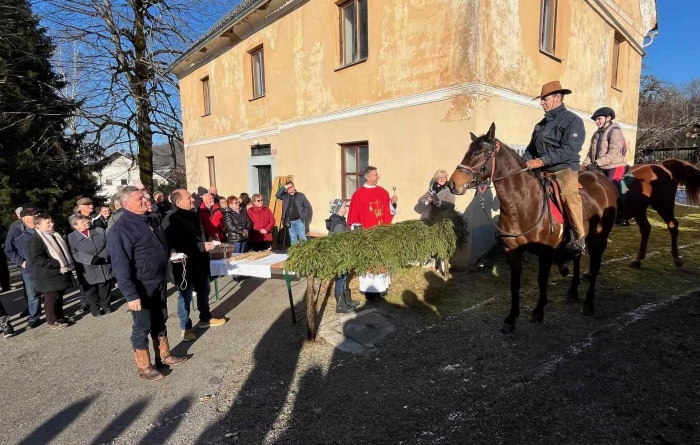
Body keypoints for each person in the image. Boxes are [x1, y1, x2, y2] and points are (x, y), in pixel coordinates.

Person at [108, 186, 187, 381]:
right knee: (142, 325)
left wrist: (172, 253)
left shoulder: (150, 219)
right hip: (141, 285)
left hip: (157, 279)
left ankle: (165, 356)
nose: (145, 199)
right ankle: (144, 367)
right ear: (126, 204)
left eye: (144, 196)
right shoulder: (121, 228)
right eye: (139, 198)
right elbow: (120, 264)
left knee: (160, 318)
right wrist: (130, 294)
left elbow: (162, 244)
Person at [523, 80, 587, 255]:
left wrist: (542, 161)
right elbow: (530, 149)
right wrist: (523, 164)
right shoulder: (541, 124)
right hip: (541, 168)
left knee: (568, 195)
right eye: (541, 99)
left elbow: (569, 149)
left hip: (564, 168)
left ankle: (578, 238)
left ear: (557, 98)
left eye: (545, 99)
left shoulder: (574, 121)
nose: (542, 102)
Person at [165, 189, 226, 342]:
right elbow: (177, 244)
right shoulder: (171, 219)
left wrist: (208, 243)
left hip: (200, 262)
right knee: (185, 297)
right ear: (179, 202)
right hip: (184, 266)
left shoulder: (194, 214)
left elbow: (201, 234)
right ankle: (185, 328)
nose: (193, 199)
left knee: (204, 290)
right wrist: (201, 246)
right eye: (189, 197)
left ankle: (205, 318)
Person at [582, 106, 630, 225]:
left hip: (615, 165)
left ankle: (621, 215)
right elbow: (591, 153)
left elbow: (614, 152)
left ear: (608, 118)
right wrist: (585, 163)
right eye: (595, 120)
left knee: (613, 187)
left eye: (599, 119)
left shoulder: (615, 131)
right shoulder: (596, 134)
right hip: (599, 165)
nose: (597, 122)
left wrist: (598, 163)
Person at [28, 214, 75, 329]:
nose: (51, 224)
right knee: (51, 297)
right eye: (48, 223)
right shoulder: (35, 239)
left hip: (60, 272)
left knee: (59, 296)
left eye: (52, 221)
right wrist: (56, 263)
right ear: (38, 226)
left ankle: (60, 317)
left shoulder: (54, 234)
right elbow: (36, 258)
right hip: (48, 274)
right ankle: (52, 321)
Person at [4, 205, 43, 328]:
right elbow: (8, 249)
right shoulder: (16, 230)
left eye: (38, 213)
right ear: (25, 218)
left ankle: (55, 314)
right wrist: (21, 262)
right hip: (29, 268)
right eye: (34, 215)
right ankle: (34, 317)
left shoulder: (43, 226)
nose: (37, 216)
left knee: (50, 292)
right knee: (33, 295)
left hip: (46, 266)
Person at [68, 213, 113, 317]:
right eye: (82, 221)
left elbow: (109, 243)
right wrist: (91, 259)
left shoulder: (99, 230)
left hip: (103, 263)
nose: (86, 222)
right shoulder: (71, 237)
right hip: (86, 266)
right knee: (90, 290)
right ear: (75, 226)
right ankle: (95, 308)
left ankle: (106, 305)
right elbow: (73, 252)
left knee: (104, 286)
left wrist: (103, 256)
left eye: (86, 219)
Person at [326, 199, 359, 313]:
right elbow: (342, 242)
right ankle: (340, 305)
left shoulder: (339, 220)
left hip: (341, 255)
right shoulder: (338, 224)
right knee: (340, 279)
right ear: (339, 209)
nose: (346, 209)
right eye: (344, 207)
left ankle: (346, 301)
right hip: (339, 256)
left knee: (344, 278)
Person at [275, 180, 311, 245]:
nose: (289, 189)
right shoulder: (285, 196)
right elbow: (277, 195)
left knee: (302, 236)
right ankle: (294, 252)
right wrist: (284, 187)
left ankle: (305, 252)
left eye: (290, 187)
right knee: (293, 237)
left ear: (294, 187)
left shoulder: (300, 195)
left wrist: (303, 216)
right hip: (289, 221)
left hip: (299, 220)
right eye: (288, 188)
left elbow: (307, 206)